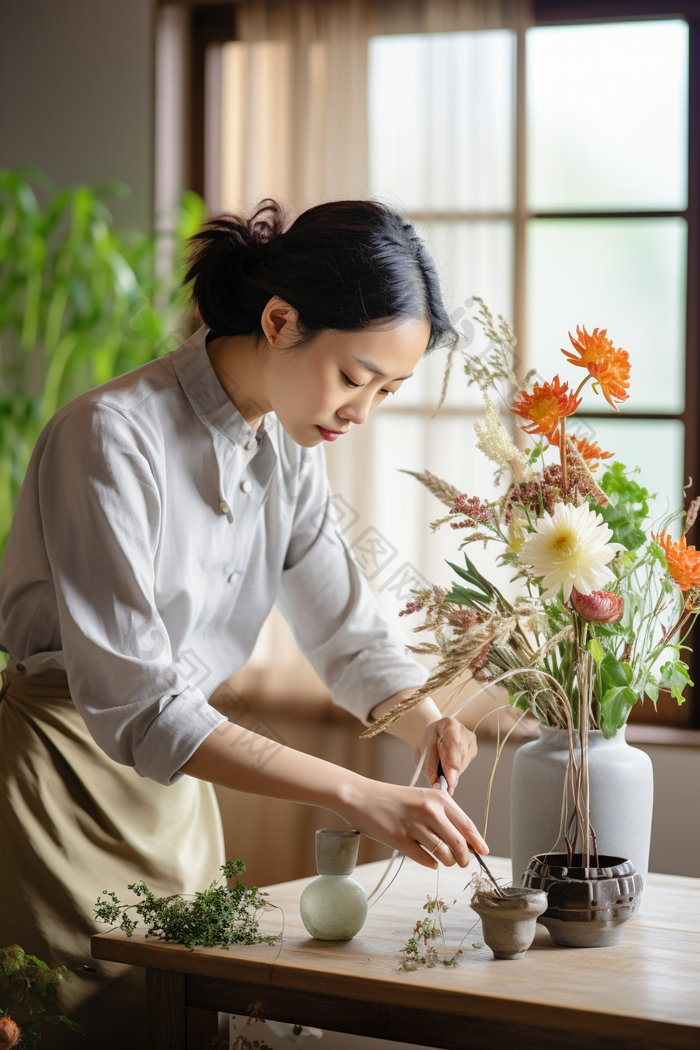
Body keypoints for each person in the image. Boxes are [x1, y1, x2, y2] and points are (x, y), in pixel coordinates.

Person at [0, 199, 486, 1048]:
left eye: (387, 391)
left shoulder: (286, 453)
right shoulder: (110, 436)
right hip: (60, 789)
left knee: (188, 1023)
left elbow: (346, 631)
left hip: (181, 797)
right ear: (279, 319)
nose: (361, 412)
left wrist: (429, 719)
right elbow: (141, 705)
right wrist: (358, 792)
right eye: (353, 376)